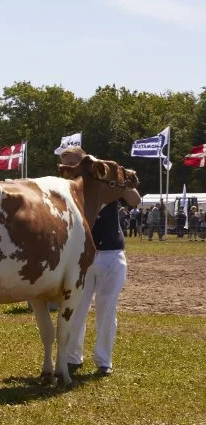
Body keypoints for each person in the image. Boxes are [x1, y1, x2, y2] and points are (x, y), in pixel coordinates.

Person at [63, 146, 140, 376]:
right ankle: (72, 358)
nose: (65, 166)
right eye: (63, 162)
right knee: (77, 309)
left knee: (107, 310)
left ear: (82, 160)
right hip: (82, 257)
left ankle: (104, 361)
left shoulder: (107, 179)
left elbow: (135, 200)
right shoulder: (67, 188)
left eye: (68, 160)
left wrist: (122, 179)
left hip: (112, 254)